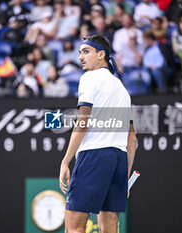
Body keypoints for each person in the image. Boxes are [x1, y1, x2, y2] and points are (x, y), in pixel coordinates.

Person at [59, 35, 137, 233]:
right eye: (80, 53)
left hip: (94, 156)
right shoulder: (122, 89)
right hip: (119, 161)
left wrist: (65, 161)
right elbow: (132, 138)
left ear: (101, 55)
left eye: (86, 52)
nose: (80, 57)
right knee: (109, 228)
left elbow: (82, 122)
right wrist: (124, 176)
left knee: (74, 228)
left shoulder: (89, 78)